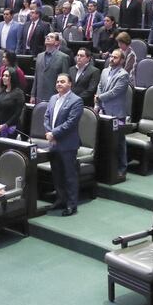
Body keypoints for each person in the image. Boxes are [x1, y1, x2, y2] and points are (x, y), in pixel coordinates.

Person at [43, 73, 84, 216]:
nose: (59, 84)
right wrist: (49, 133)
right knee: (57, 175)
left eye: (62, 81)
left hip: (67, 145)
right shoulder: (53, 98)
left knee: (69, 176)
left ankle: (72, 205)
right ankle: (61, 200)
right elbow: (47, 117)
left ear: (70, 84)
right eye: (57, 81)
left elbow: (71, 123)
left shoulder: (76, 101)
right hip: (53, 144)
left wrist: (53, 134)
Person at [95, 49, 130, 177]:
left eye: (115, 57)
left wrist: (99, 98)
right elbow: (99, 87)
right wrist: (97, 104)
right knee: (104, 141)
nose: (111, 59)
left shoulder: (123, 75)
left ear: (121, 60)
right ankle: (106, 168)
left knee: (119, 143)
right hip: (103, 111)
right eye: (111, 56)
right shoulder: (104, 71)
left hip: (116, 113)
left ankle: (122, 168)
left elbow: (115, 92)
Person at [31, 33, 69, 103]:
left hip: (55, 96)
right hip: (39, 96)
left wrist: (63, 96)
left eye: (51, 37)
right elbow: (36, 77)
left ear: (57, 42)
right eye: (47, 36)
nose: (48, 38)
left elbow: (65, 80)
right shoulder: (39, 56)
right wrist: (33, 95)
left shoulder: (63, 57)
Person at [0, 67, 25, 137]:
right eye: (3, 75)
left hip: (11, 130)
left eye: (7, 76)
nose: (4, 77)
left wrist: (5, 125)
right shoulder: (2, 91)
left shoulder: (18, 93)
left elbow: (17, 114)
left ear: (12, 78)